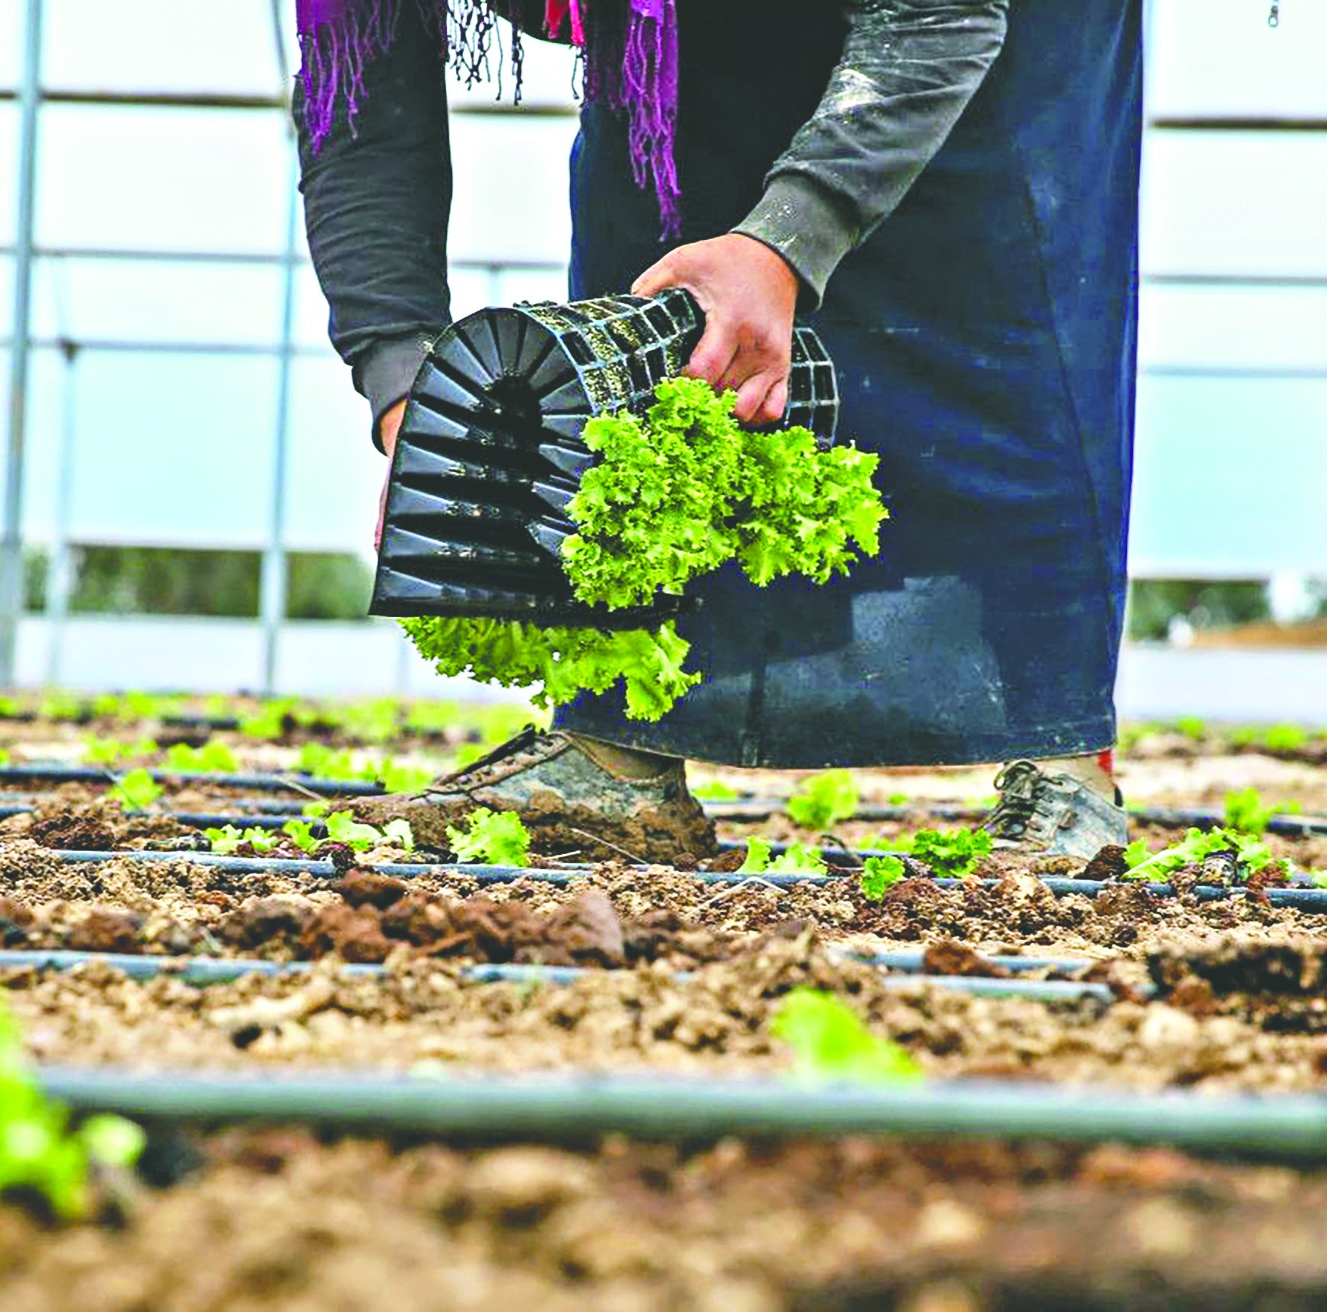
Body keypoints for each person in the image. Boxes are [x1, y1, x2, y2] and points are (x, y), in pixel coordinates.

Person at [294, 0, 1141, 861]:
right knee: (656, 268)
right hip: (667, 29)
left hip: (983, 36)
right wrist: (414, 402)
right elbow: (358, 95)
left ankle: (1063, 766)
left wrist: (784, 241)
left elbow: (939, 17)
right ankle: (615, 753)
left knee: (1005, 276)